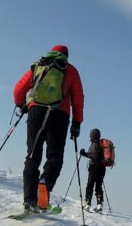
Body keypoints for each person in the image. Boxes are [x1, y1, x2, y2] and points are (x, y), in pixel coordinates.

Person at [12, 45, 83, 212]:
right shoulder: (71, 70)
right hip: (59, 115)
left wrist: (22, 104)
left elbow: (18, 89)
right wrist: (77, 123)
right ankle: (44, 187)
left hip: (36, 112)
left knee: (32, 156)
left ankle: (29, 201)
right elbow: (78, 98)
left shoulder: (38, 65)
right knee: (54, 157)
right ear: (66, 56)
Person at [79, 128, 107, 212]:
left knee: (90, 185)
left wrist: (84, 154)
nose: (89, 137)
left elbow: (94, 157)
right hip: (102, 169)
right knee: (98, 186)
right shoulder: (101, 145)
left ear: (92, 136)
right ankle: (99, 204)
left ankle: (87, 204)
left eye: (90, 135)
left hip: (93, 168)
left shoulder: (94, 145)